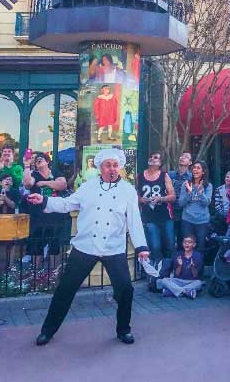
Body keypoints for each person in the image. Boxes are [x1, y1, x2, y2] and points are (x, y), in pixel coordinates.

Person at [27, 147, 149, 346]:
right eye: (108, 165)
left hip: (113, 248)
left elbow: (135, 221)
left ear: (120, 167)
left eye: (115, 165)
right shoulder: (87, 187)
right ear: (100, 167)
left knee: (125, 289)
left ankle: (124, 329)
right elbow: (67, 205)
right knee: (65, 289)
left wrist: (141, 246)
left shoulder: (128, 190)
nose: (112, 169)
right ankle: (47, 331)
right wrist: (44, 200)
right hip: (85, 247)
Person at [23, 153, 69, 261]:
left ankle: (52, 275)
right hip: (38, 216)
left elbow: (62, 185)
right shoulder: (34, 174)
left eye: (40, 159)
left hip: (55, 216)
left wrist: (43, 182)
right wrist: (26, 166)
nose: (37, 161)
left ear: (47, 161)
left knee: (54, 246)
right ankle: (35, 274)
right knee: (35, 247)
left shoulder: (55, 172)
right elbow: (28, 184)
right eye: (35, 160)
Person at [137, 152, 175, 264]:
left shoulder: (164, 176)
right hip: (148, 217)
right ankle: (155, 273)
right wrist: (141, 200)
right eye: (151, 156)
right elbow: (134, 196)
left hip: (165, 216)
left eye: (156, 157)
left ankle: (168, 270)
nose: (152, 159)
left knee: (170, 244)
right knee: (155, 246)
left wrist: (161, 199)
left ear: (160, 163)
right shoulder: (139, 176)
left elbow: (173, 196)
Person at [178, 160, 212, 257]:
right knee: (187, 246)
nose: (195, 170)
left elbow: (206, 203)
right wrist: (189, 193)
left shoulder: (208, 185)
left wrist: (201, 193)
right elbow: (181, 203)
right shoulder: (186, 184)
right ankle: (187, 269)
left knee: (200, 247)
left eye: (198, 168)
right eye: (194, 168)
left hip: (202, 221)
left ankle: (198, 270)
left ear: (203, 171)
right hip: (187, 220)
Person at [169, 151, 193, 246]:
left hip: (184, 211)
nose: (182, 157)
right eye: (182, 156)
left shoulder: (191, 177)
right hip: (170, 210)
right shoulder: (170, 175)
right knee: (169, 239)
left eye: (186, 157)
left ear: (190, 162)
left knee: (182, 239)